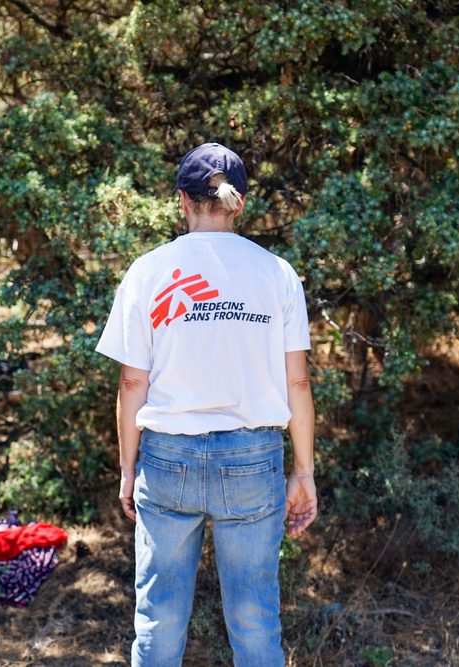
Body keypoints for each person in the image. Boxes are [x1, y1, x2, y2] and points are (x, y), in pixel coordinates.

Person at [95, 143, 317, 666]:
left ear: (182, 201)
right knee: (255, 620)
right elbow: (299, 385)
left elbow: (132, 384)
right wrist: (303, 471)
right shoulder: (277, 273)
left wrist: (129, 468)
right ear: (238, 204)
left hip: (167, 458)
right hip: (252, 460)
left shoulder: (149, 271)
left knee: (158, 619)